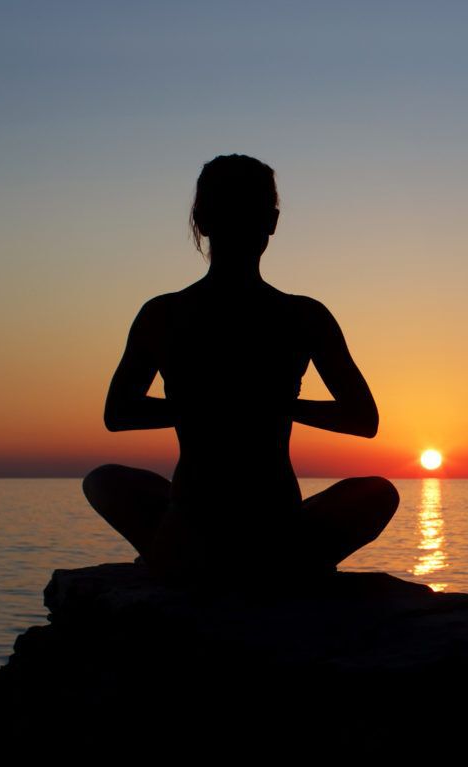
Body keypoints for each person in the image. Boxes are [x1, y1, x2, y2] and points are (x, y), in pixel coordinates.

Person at [81, 154, 400, 590]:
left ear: (201, 219)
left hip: (218, 523)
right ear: (271, 222)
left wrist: (269, 405)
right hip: (246, 524)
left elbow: (365, 421)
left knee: (379, 491)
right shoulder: (295, 315)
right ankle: (267, 563)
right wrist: (238, 407)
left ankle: (177, 557)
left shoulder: (170, 313)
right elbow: (117, 414)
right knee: (103, 480)